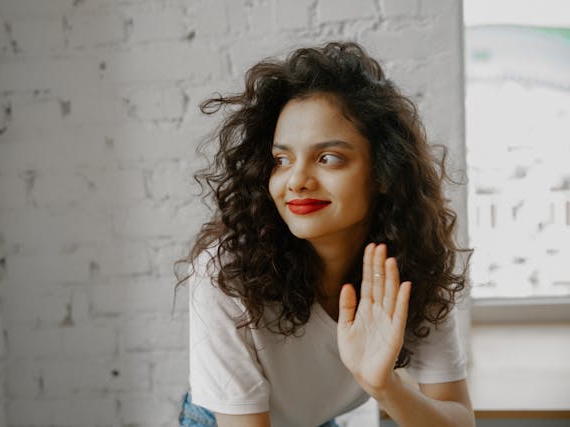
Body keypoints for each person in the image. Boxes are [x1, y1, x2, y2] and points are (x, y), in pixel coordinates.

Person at [177, 41, 474, 427]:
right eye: (282, 160)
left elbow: (460, 419)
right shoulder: (225, 273)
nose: (296, 181)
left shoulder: (412, 267)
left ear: (383, 172)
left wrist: (385, 387)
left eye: (328, 158)